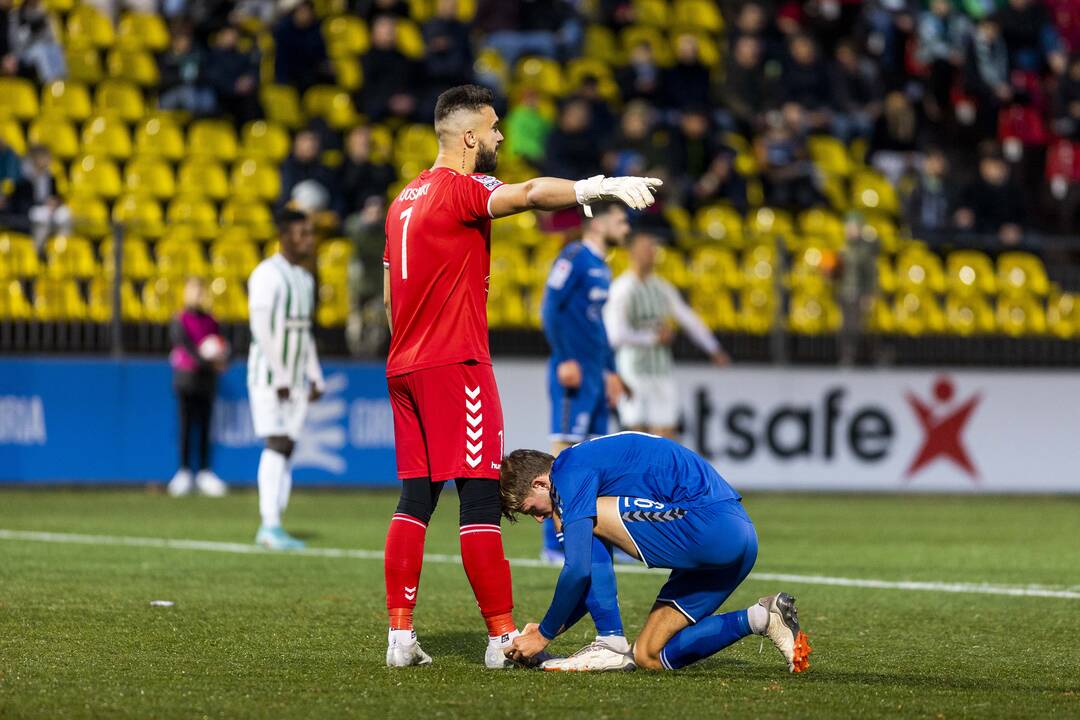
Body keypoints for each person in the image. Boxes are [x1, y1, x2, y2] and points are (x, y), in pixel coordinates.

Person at [380, 83, 660, 669]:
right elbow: (529, 194)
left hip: (404, 364)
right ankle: (501, 636)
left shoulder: (402, 200)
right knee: (480, 496)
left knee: (415, 499)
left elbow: (389, 296)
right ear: (469, 137)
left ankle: (400, 637)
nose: (503, 137)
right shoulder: (461, 187)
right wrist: (592, 187)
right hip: (455, 364)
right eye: (495, 127)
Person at [498, 433, 812, 674]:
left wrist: (544, 635)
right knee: (648, 655)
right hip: (737, 538)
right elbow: (589, 579)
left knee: (578, 516)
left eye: (530, 510)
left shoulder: (568, 473)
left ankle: (609, 640)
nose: (539, 518)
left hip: (710, 526)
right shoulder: (583, 463)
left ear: (541, 483)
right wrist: (544, 630)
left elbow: (579, 569)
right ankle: (763, 617)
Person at [538, 202, 629, 564]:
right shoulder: (573, 257)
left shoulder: (601, 267)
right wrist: (564, 357)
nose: (626, 228)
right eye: (621, 220)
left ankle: (596, 537)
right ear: (600, 222)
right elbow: (549, 307)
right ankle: (553, 542)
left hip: (594, 374)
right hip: (572, 372)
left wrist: (609, 368)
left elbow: (597, 325)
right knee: (563, 456)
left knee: (594, 458)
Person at [247, 209, 325, 550]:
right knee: (276, 442)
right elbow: (261, 327)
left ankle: (275, 521)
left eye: (309, 233)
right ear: (284, 236)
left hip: (294, 378)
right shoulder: (266, 274)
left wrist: (314, 374)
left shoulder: (305, 280)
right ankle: (269, 524)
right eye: (300, 233)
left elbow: (304, 332)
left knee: (287, 447)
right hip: (268, 376)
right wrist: (279, 373)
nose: (307, 239)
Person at [604, 232, 729, 439]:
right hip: (632, 371)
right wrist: (652, 338)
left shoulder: (661, 287)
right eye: (646, 249)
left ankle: (664, 472)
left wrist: (713, 348)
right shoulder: (622, 288)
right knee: (636, 434)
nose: (651, 254)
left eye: (653, 249)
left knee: (667, 434)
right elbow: (615, 335)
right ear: (632, 253)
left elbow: (688, 319)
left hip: (661, 370)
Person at [167, 277, 228, 498]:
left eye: (202, 292)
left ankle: (204, 472)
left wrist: (222, 359)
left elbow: (222, 344)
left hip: (207, 382)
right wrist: (208, 360)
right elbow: (186, 346)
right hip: (186, 380)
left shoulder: (211, 320)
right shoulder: (180, 319)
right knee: (185, 426)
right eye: (194, 291)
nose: (199, 296)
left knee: (204, 428)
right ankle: (183, 472)